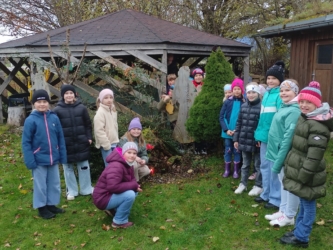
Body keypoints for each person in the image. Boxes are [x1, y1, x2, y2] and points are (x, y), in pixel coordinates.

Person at [279, 81, 333, 248]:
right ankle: (298, 230)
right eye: (301, 101)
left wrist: (303, 176)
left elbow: (313, 157)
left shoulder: (317, 126)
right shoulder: (307, 118)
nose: (303, 105)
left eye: (308, 102)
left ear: (316, 104)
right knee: (303, 201)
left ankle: (302, 237)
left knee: (308, 204)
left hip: (308, 173)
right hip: (301, 169)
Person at [22, 89, 67, 219]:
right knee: (40, 185)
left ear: (48, 103)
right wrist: (30, 160)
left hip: (53, 158)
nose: (42, 104)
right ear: (34, 104)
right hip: (38, 159)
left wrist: (62, 155)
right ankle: (42, 207)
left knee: (54, 183)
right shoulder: (31, 120)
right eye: (39, 102)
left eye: (45, 101)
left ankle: (51, 204)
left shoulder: (54, 117)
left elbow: (60, 138)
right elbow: (26, 142)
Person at [264, 79, 301, 227]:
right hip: (276, 153)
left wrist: (279, 160)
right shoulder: (285, 106)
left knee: (289, 185)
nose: (283, 93)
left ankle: (290, 215)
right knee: (282, 183)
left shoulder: (294, 110)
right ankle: (283, 210)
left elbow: (288, 138)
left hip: (285, 155)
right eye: (282, 90)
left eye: (287, 90)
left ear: (295, 92)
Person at [53, 84, 94, 201]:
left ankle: (86, 188)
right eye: (66, 93)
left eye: (71, 93)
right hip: (66, 144)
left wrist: (89, 137)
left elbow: (87, 124)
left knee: (84, 166)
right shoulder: (57, 110)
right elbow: (55, 129)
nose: (69, 95)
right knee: (68, 168)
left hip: (81, 142)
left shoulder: (82, 108)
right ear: (63, 96)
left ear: (75, 94)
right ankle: (72, 190)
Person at [254, 61, 284, 210]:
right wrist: (259, 136)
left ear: (280, 80)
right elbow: (262, 118)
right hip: (264, 136)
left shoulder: (279, 95)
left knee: (273, 168)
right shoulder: (266, 95)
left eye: (274, 78)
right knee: (264, 166)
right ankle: (266, 193)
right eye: (268, 78)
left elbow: (279, 118)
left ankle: (276, 198)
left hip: (274, 138)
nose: (270, 81)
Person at [92, 142, 141, 229]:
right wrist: (133, 185)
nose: (132, 155)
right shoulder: (117, 166)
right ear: (123, 153)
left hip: (108, 195)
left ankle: (113, 210)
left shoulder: (128, 164)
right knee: (130, 195)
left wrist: (135, 186)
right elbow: (113, 187)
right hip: (102, 198)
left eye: (134, 153)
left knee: (134, 191)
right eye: (129, 152)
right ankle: (119, 221)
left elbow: (132, 179)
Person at [233, 84, 262, 194]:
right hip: (244, 140)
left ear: (258, 94)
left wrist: (259, 139)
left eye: (253, 92)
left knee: (258, 165)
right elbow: (239, 123)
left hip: (257, 141)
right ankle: (243, 184)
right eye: (249, 92)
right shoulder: (243, 106)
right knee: (245, 164)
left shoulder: (262, 107)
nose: (251, 95)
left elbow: (262, 125)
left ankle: (258, 185)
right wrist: (236, 139)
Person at [219, 78, 245, 178]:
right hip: (227, 132)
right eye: (235, 89)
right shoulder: (227, 102)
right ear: (232, 90)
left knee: (237, 150)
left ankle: (236, 170)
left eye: (239, 89)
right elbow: (222, 117)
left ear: (242, 90)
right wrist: (226, 129)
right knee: (228, 150)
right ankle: (227, 169)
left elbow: (244, 118)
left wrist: (237, 131)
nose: (236, 91)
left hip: (238, 132)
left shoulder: (244, 103)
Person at [93, 88, 119, 167]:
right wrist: (106, 145)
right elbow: (99, 131)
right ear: (101, 99)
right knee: (110, 167)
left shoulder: (113, 110)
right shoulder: (100, 113)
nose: (109, 100)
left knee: (116, 166)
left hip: (114, 143)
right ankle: (109, 180)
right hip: (107, 145)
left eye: (111, 97)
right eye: (106, 98)